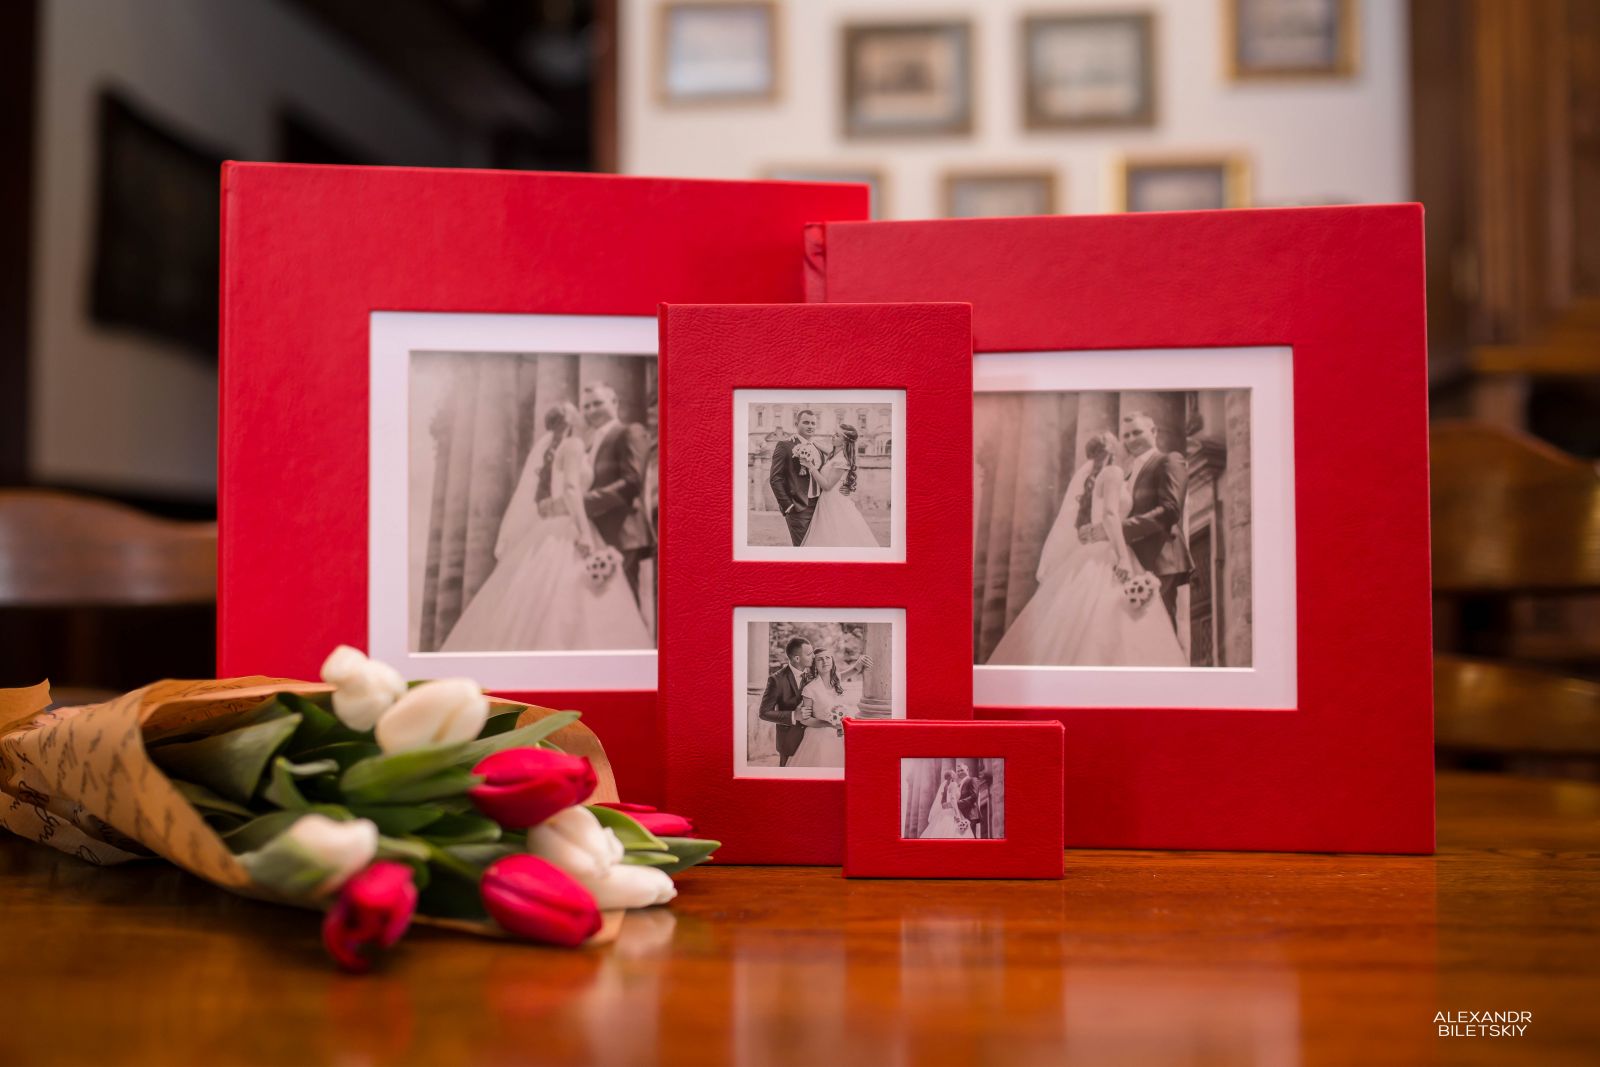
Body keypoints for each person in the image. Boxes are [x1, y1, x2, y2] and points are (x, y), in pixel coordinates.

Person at [442, 403, 652, 652]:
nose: (586, 416)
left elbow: (548, 497)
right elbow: (571, 490)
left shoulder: (556, 450)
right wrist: (585, 534)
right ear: (572, 422)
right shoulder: (574, 445)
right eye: (580, 413)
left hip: (552, 527)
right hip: (571, 525)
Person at [985, 430, 1186, 667]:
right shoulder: (1113, 473)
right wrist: (1122, 558)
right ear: (1114, 451)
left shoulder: (1097, 478)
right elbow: (1110, 515)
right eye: (1123, 443)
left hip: (1093, 552)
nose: (1128, 446)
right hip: (1111, 551)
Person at [1085, 411, 1191, 625]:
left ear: (1153, 431)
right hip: (1131, 559)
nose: (1131, 439)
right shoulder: (1124, 472)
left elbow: (1170, 509)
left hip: (1160, 558)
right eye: (1126, 435)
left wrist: (1118, 529)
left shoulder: (1169, 460)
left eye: (1137, 432)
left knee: (1158, 629)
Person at [562, 382, 650, 601]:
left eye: (598, 403)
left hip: (622, 532)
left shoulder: (629, 432)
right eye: (586, 406)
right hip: (596, 533)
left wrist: (582, 502)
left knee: (625, 604)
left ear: (614, 402)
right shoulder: (588, 443)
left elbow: (632, 482)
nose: (592, 410)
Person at [788, 648, 872, 769]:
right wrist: (829, 724)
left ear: (832, 661)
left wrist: (862, 659)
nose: (825, 661)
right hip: (820, 737)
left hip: (843, 733)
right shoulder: (809, 689)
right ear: (814, 664)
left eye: (827, 658)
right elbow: (805, 720)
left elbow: (855, 669)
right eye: (820, 659)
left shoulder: (837, 679)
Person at [798, 424, 879, 548]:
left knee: (836, 536)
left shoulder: (841, 460)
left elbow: (827, 486)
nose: (833, 436)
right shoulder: (834, 455)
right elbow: (824, 448)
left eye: (837, 435)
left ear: (844, 442)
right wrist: (808, 441)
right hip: (828, 500)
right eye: (834, 433)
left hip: (834, 502)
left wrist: (810, 466)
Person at [757, 637, 813, 768]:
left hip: (812, 738)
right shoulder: (776, 680)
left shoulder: (813, 674)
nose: (813, 657)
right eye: (809, 654)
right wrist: (793, 715)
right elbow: (764, 712)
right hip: (789, 741)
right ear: (797, 658)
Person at [768, 409, 822, 546]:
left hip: (820, 506)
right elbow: (775, 478)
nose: (810, 426)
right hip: (799, 508)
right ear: (796, 424)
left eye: (813, 423)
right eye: (806, 422)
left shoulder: (818, 448)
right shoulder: (785, 445)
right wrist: (788, 506)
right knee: (803, 548)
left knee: (818, 547)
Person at [920, 769, 966, 839]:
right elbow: (953, 799)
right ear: (952, 776)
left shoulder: (945, 786)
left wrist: (947, 805)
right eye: (955, 774)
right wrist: (957, 814)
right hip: (952, 811)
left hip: (944, 812)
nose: (956, 775)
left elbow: (942, 802)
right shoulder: (953, 784)